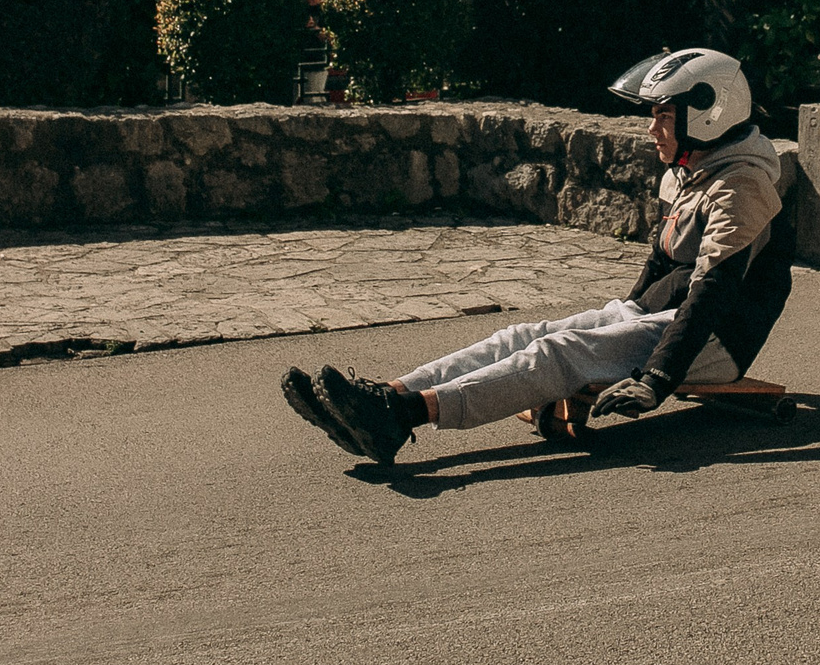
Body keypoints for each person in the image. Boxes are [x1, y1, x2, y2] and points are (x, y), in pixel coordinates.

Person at [279, 47, 794, 465]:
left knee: (559, 353)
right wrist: (624, 315)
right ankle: (380, 399)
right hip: (664, 315)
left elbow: (713, 292)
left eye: (663, 115)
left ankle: (402, 416)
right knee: (520, 336)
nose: (651, 128)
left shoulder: (741, 187)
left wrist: (655, 379)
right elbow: (661, 265)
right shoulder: (687, 172)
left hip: (716, 337)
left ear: (707, 114)